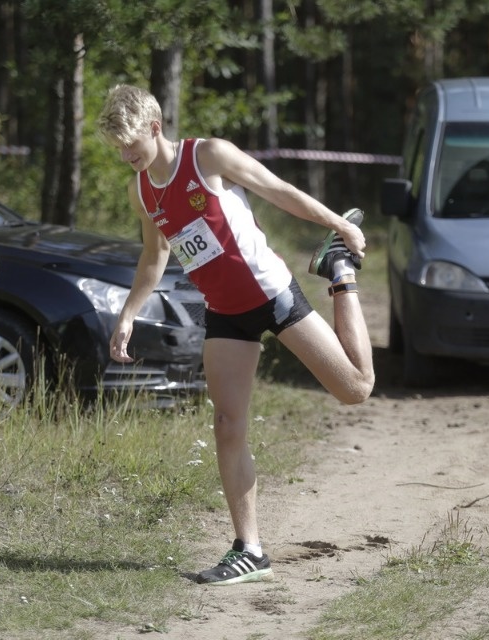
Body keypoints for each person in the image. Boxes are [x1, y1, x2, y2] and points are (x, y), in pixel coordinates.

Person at [97, 84, 375, 586]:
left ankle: (339, 271)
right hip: (224, 313)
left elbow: (278, 190)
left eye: (130, 144)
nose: (125, 156)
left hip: (272, 294)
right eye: (117, 148)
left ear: (155, 128)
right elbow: (155, 256)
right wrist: (128, 314)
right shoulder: (141, 189)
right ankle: (250, 549)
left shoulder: (208, 155)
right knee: (227, 424)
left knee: (355, 388)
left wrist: (340, 225)